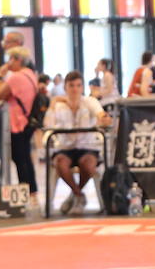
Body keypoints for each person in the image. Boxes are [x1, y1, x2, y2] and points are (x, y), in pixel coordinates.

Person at [44, 71, 111, 215]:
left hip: (87, 147)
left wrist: (104, 119)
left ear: (82, 87)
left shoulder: (90, 102)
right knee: (60, 164)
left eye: (78, 86)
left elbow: (101, 115)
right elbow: (47, 124)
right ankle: (79, 194)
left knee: (88, 165)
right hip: (64, 148)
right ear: (65, 87)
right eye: (71, 86)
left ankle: (74, 195)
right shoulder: (58, 105)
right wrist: (52, 104)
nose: (75, 89)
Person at [0, 46, 39, 206]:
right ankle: (32, 192)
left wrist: (0, 75)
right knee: (25, 157)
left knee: (20, 158)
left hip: (17, 123)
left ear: (18, 60)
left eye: (10, 59)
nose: (8, 63)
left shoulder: (16, 77)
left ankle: (25, 192)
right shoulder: (31, 75)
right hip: (28, 121)